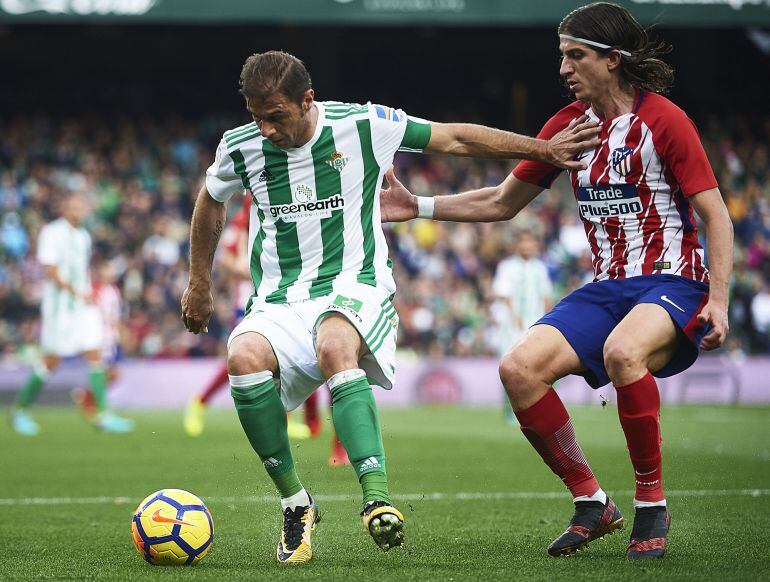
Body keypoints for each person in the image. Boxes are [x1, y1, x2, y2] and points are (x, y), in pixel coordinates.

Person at [180, 50, 597, 564]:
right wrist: (199, 281)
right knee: (241, 357)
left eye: (275, 116)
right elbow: (210, 200)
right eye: (255, 117)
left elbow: (455, 137)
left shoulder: (364, 124)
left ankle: (375, 497)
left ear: (307, 100)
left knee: (335, 344)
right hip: (282, 296)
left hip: (356, 282)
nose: (264, 129)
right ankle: (296, 503)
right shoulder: (239, 148)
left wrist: (544, 149)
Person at [380, 2, 732, 560]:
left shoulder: (664, 120)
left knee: (623, 353)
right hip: (609, 287)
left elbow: (715, 214)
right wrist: (417, 205)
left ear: (613, 60)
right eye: (562, 56)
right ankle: (593, 503)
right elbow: (501, 202)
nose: (564, 68)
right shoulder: (565, 128)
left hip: (675, 282)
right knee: (518, 370)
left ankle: (651, 505)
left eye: (576, 56)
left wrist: (719, 299)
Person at [12, 193, 135, 435]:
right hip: (59, 309)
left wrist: (86, 292)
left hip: (82, 307)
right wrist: (78, 291)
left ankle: (102, 413)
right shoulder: (52, 233)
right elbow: (51, 270)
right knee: (50, 361)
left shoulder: (83, 236)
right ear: (65, 208)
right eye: (74, 206)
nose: (79, 210)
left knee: (95, 352)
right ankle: (20, 411)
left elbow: (81, 270)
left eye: (82, 206)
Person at [491, 229, 552, 422]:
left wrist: (548, 318)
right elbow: (502, 293)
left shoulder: (539, 268)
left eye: (531, 242)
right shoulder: (507, 266)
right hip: (513, 324)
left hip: (536, 322)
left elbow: (547, 295)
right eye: (524, 242)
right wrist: (513, 315)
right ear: (517, 245)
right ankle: (511, 412)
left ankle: (539, 409)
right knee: (510, 366)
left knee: (541, 366)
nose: (528, 246)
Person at [71, 259, 125, 418]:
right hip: (100, 336)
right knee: (107, 371)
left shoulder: (114, 291)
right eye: (107, 270)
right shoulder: (95, 289)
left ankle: (86, 396)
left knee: (112, 374)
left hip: (111, 337)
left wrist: (118, 333)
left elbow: (115, 316)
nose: (111, 274)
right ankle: (94, 402)